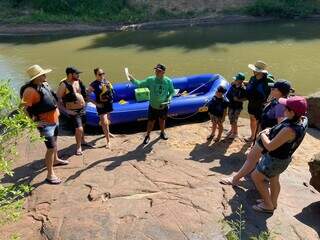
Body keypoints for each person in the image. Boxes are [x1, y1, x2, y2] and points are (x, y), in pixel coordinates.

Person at [220, 80, 293, 186]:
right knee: (256, 161)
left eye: (274, 89)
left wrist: (268, 139)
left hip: (267, 138)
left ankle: (235, 179)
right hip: (265, 136)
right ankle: (256, 180)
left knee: (251, 158)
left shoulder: (280, 105)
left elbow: (280, 125)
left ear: (280, 92)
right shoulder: (277, 100)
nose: (271, 90)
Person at [251, 96, 308, 213]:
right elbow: (281, 129)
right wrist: (270, 130)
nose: (283, 109)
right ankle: (273, 202)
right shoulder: (301, 120)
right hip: (283, 158)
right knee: (274, 179)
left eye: (286, 108)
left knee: (256, 177)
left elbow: (270, 146)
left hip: (274, 160)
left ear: (292, 112)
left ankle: (267, 205)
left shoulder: (289, 130)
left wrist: (262, 134)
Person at [21, 64, 68, 185]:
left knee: (55, 142)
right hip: (45, 123)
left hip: (54, 119)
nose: (45, 75)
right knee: (51, 148)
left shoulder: (44, 84)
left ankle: (56, 160)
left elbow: (51, 98)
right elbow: (23, 109)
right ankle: (50, 175)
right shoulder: (30, 91)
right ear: (36, 77)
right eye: (42, 74)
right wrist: (34, 122)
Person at [128, 64, 175, 144]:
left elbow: (172, 91)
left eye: (159, 71)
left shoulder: (168, 81)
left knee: (162, 120)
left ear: (163, 72)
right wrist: (132, 79)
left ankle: (162, 133)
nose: (156, 72)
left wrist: (169, 98)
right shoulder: (150, 80)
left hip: (163, 106)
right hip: (153, 106)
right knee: (150, 122)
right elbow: (139, 84)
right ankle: (147, 136)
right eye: (156, 70)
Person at [56, 67, 90, 155]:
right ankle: (78, 147)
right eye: (76, 74)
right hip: (73, 111)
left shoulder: (78, 81)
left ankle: (82, 141)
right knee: (79, 128)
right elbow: (57, 100)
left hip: (82, 108)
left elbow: (83, 93)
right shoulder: (63, 85)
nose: (78, 75)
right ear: (70, 74)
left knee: (83, 125)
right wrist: (67, 111)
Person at [88, 67, 114, 149]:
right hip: (101, 105)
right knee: (104, 122)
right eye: (100, 74)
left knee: (107, 120)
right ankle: (108, 141)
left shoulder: (106, 81)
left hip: (109, 104)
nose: (102, 75)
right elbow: (87, 96)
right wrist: (96, 104)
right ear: (95, 75)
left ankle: (108, 132)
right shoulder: (93, 85)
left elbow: (110, 91)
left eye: (103, 73)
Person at [245, 61, 271, 142]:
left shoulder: (266, 82)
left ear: (261, 72)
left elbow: (270, 93)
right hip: (252, 102)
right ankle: (252, 136)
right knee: (252, 119)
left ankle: (258, 138)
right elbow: (250, 85)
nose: (253, 71)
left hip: (260, 104)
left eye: (255, 70)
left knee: (259, 122)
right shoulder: (252, 78)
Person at [226, 72, 247, 139]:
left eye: (236, 80)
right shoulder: (233, 85)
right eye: (235, 79)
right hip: (231, 105)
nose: (235, 80)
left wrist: (238, 100)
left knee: (234, 120)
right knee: (230, 117)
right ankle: (232, 129)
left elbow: (246, 98)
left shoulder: (243, 89)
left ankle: (235, 133)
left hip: (237, 107)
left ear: (240, 81)